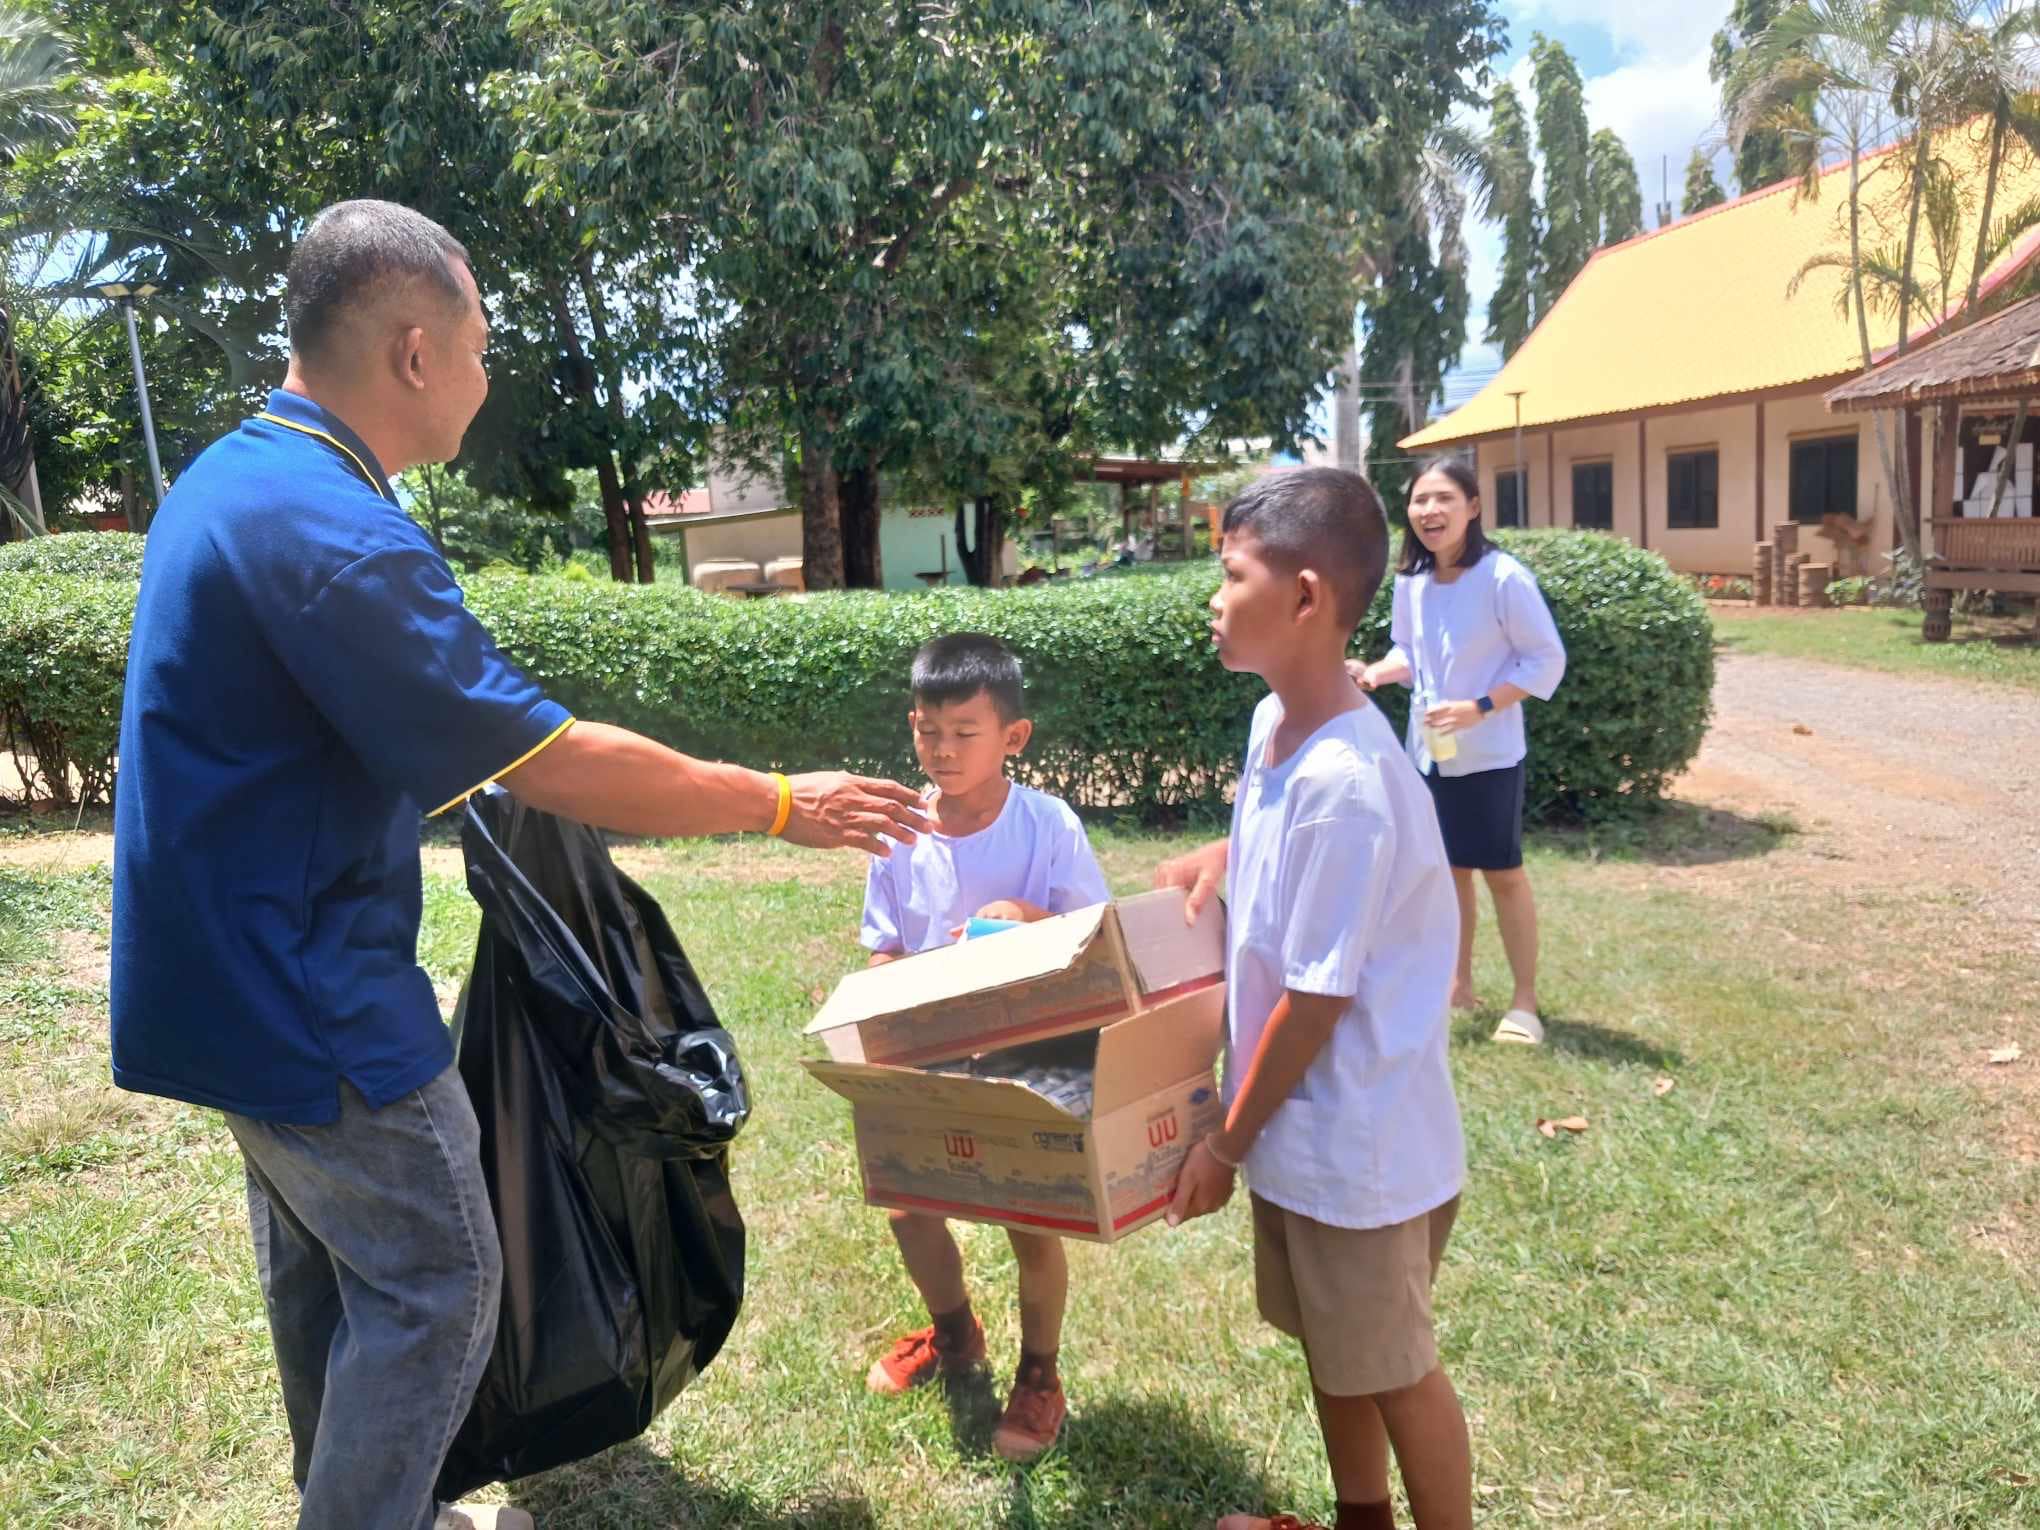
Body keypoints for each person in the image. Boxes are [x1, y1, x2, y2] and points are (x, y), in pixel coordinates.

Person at [109, 200, 930, 1530]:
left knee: (332, 1268)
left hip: (210, 979)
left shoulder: (236, 478)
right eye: (482, 346)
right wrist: (781, 799)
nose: (487, 376)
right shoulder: (335, 534)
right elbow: (548, 758)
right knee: (439, 1278)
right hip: (304, 993)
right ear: (416, 353)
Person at [1158, 468, 1470, 1530]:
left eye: (1230, 574)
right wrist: (1222, 857)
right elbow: (1273, 848)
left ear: (1303, 597)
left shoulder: (1349, 782)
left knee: (1396, 1372)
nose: (1213, 598)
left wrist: (1224, 1143)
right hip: (1301, 1134)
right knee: (1336, 1354)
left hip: (1356, 1150)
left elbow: (1317, 1002)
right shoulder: (1275, 727)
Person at [857, 632, 1110, 1463]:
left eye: (965, 733)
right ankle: (954, 1333)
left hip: (1026, 1054)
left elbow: (1095, 938)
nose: (943, 750)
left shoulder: (1047, 824)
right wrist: (883, 1000)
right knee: (909, 1204)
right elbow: (885, 945)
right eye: (928, 731)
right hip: (926, 1049)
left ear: (1013, 737)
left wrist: (1027, 919)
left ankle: (1040, 1375)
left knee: (1028, 1218)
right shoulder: (900, 831)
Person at [1356, 456, 1566, 1046]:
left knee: (1503, 873)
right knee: (1449, 872)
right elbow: (1408, 652)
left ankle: (1524, 1004)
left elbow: (1545, 660)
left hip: (1489, 754)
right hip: (1429, 752)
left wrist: (1481, 706)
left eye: (1444, 498)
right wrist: (1373, 673)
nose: (1430, 510)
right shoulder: (1412, 582)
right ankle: (1457, 984)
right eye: (1420, 500)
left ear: (1473, 507)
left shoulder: (1503, 578)